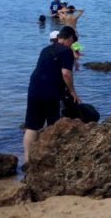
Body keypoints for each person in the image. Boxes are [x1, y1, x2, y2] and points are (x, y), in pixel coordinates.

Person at [23, 26, 81, 163]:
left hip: (34, 88)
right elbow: (66, 73)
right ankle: (50, 160)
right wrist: (73, 92)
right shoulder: (66, 51)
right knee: (53, 126)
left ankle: (27, 161)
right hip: (51, 90)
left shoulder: (46, 49)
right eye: (73, 41)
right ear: (70, 38)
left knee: (32, 126)